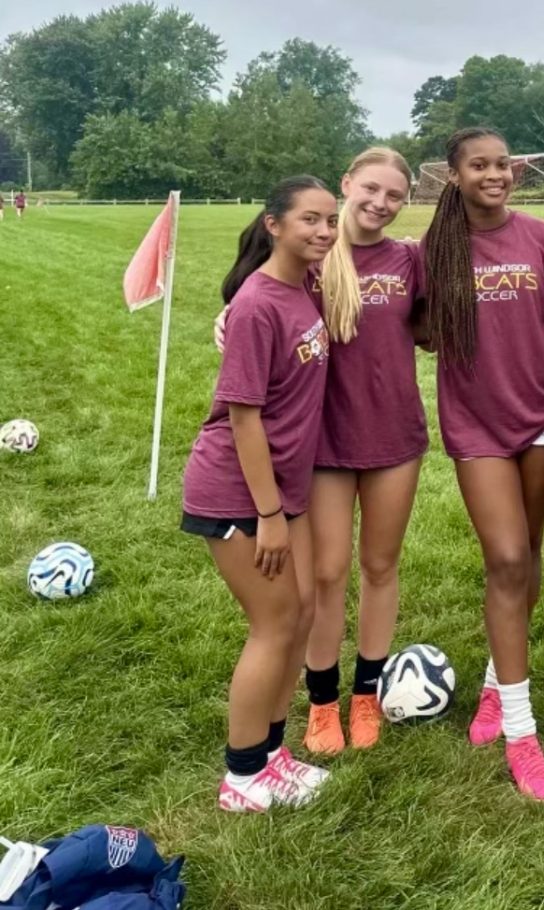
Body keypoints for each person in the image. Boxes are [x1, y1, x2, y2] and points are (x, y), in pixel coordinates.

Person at [215, 149, 427, 755]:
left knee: (380, 567)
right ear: (347, 186)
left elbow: (437, 323)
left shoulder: (409, 259)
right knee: (328, 574)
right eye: (371, 189)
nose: (380, 203)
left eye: (394, 195)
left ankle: (367, 694)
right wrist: (224, 315)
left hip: (395, 438)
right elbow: (259, 301)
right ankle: (323, 701)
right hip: (326, 444)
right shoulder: (313, 258)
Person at [181, 176, 337, 812]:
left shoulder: (305, 286)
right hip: (238, 491)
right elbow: (243, 418)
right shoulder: (257, 304)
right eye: (310, 220)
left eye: (331, 220)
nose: (324, 231)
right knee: (272, 625)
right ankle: (241, 776)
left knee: (299, 614)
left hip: (283, 489)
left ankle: (273, 756)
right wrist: (269, 515)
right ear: (274, 224)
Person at [422, 127, 544, 801]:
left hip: (543, 415)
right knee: (506, 557)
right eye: (479, 165)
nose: (496, 174)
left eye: (503, 163)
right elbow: (390, 305)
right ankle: (520, 728)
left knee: (528, 552)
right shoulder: (434, 251)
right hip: (476, 423)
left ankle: (493, 679)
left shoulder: (542, 239)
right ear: (454, 176)